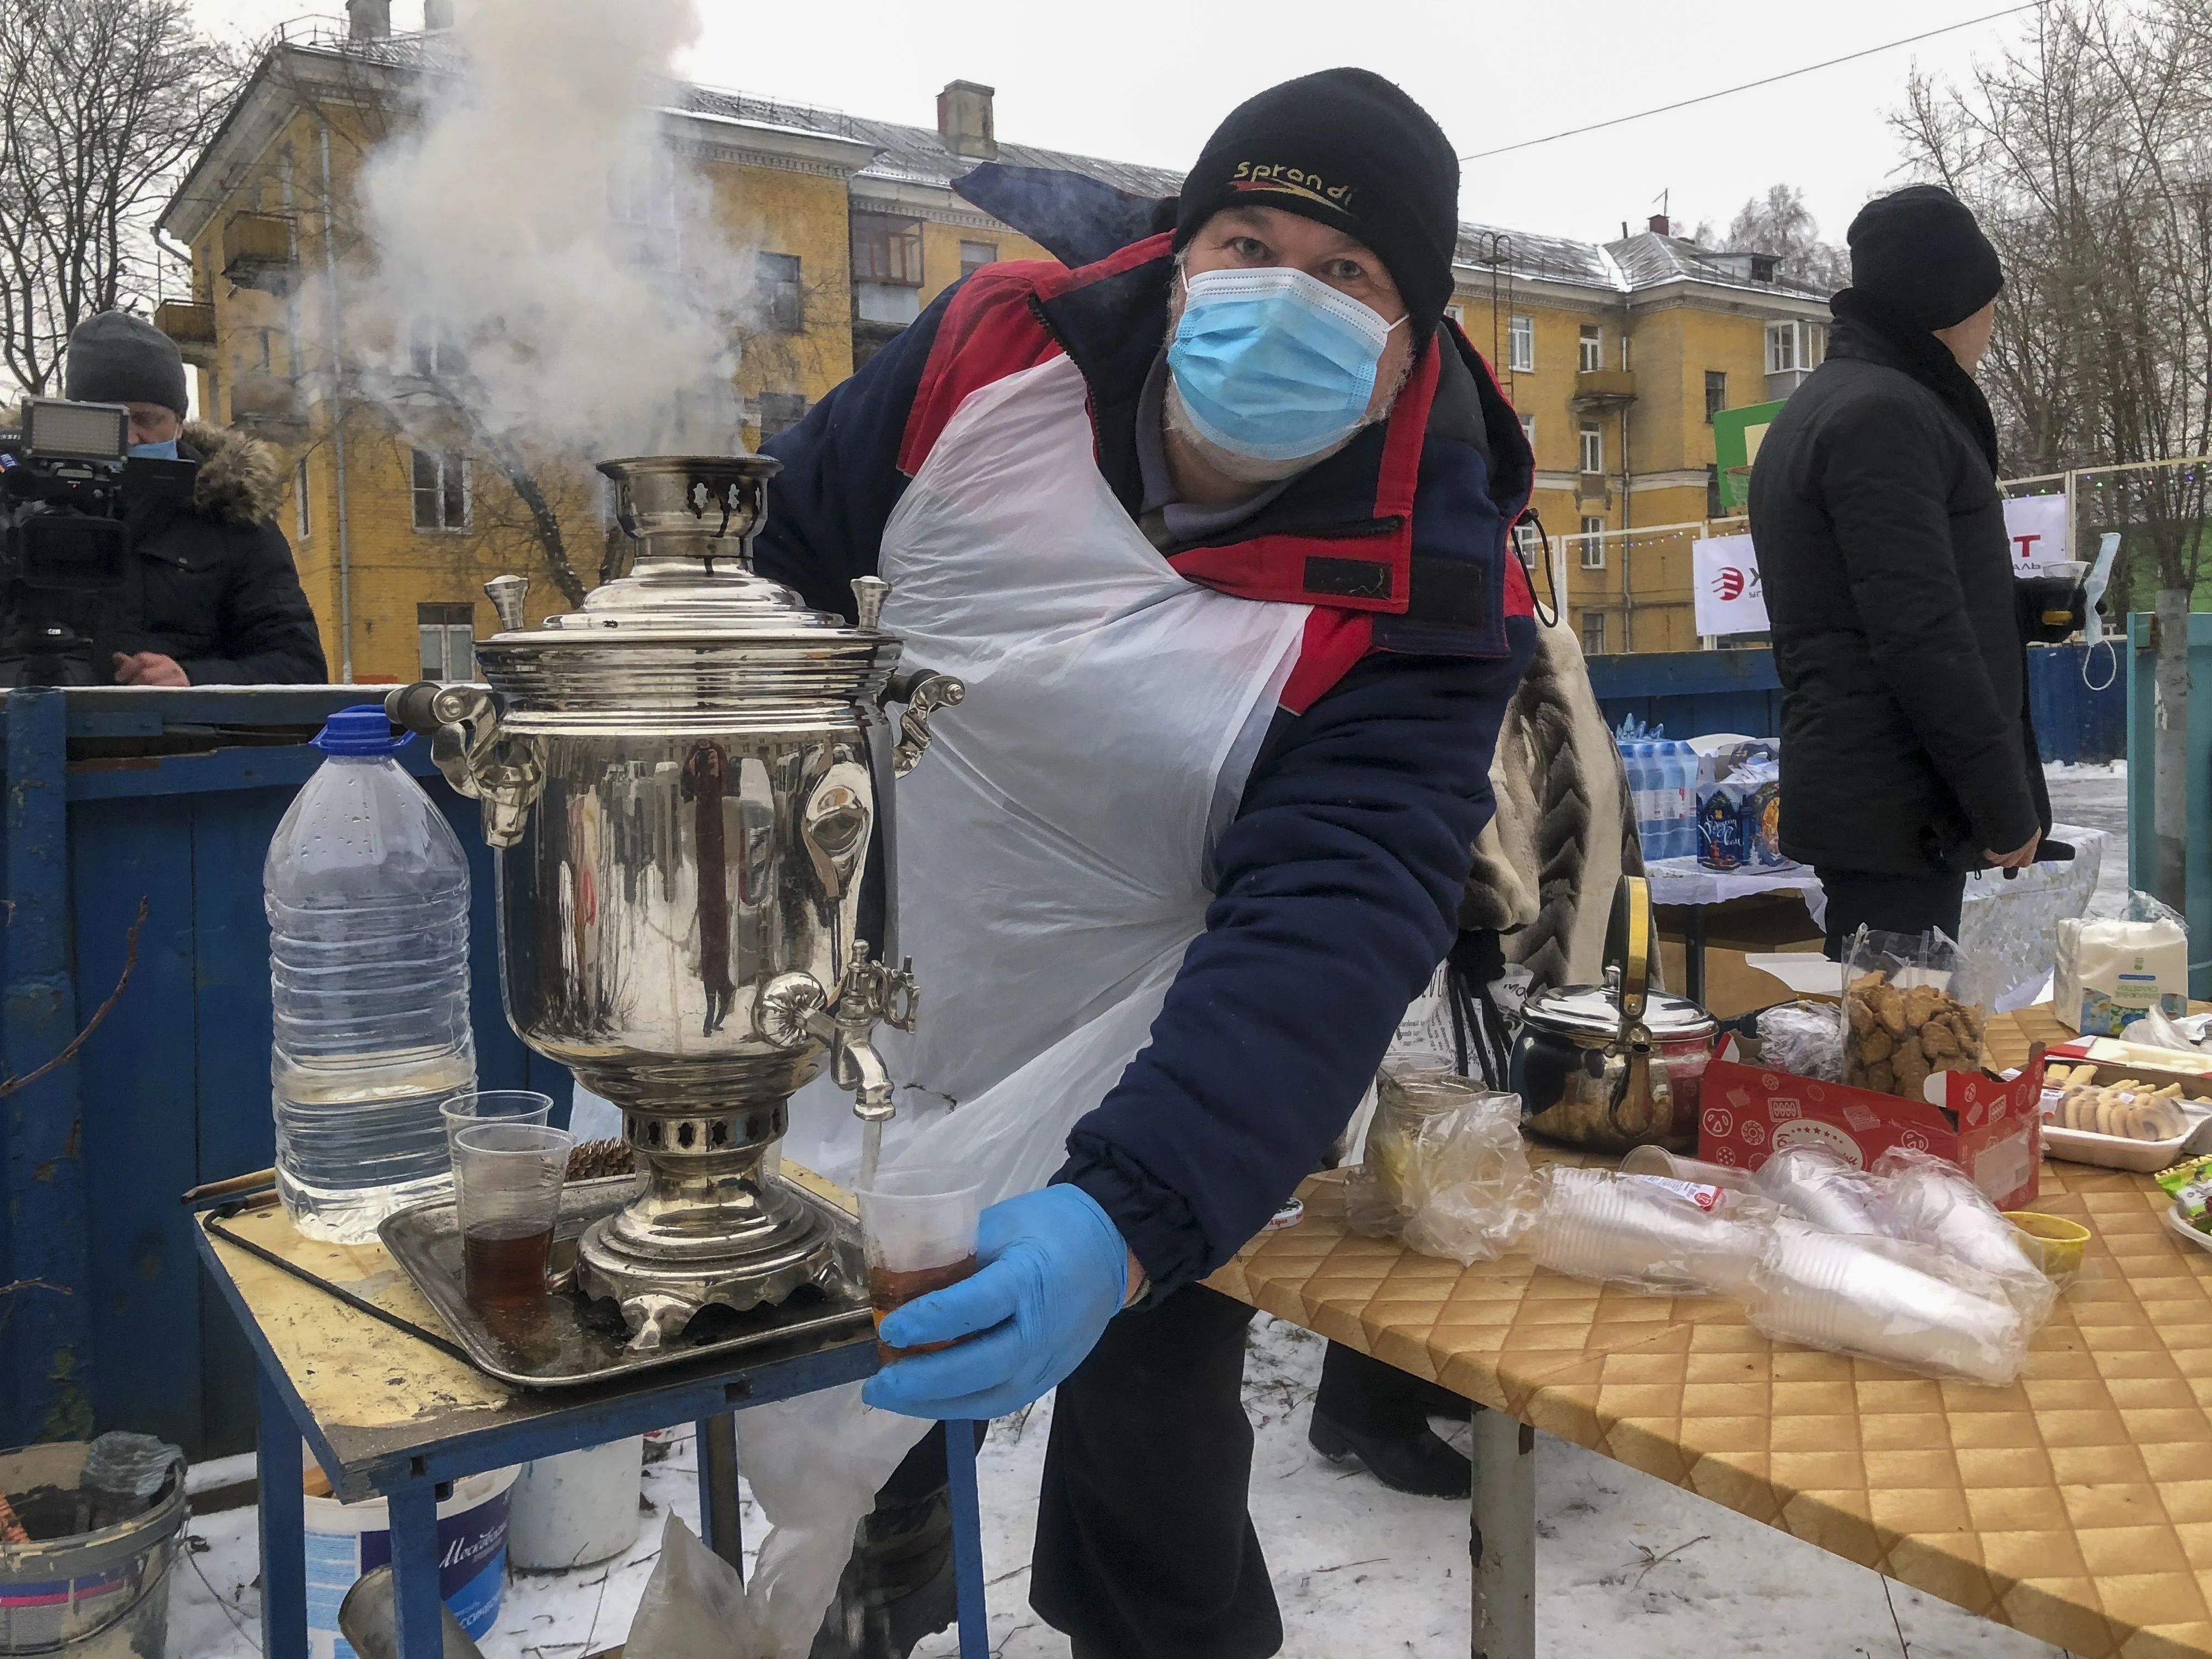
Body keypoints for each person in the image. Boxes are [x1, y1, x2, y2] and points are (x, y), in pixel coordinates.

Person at [756, 69, 1537, 1659]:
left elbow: (1336, 910)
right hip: (885, 948)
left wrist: (1129, 1215)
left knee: (1154, 1434)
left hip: (1172, 1021)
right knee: (844, 1359)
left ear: (1409, 342)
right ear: (1181, 256)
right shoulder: (992, 355)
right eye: (1247, 240)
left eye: (1347, 276)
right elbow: (777, 576)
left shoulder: (1430, 576)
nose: (1282, 298)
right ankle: (880, 1563)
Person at [1749, 186, 2072, 955]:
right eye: (1988, 302)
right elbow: (1917, 630)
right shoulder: (1885, 416)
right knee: (1897, 1045)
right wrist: (2003, 806)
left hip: (1881, 797)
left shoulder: (1834, 406)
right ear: (1950, 299)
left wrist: (2019, 608)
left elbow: (1877, 594)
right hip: (1898, 803)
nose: (1992, 326)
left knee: (1889, 1031)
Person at [26, 310, 326, 686]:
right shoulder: (20, 503)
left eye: (146, 419)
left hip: (181, 739)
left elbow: (300, 667)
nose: (130, 438)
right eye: (108, 420)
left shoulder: (232, 517)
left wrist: (192, 681)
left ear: (179, 423)